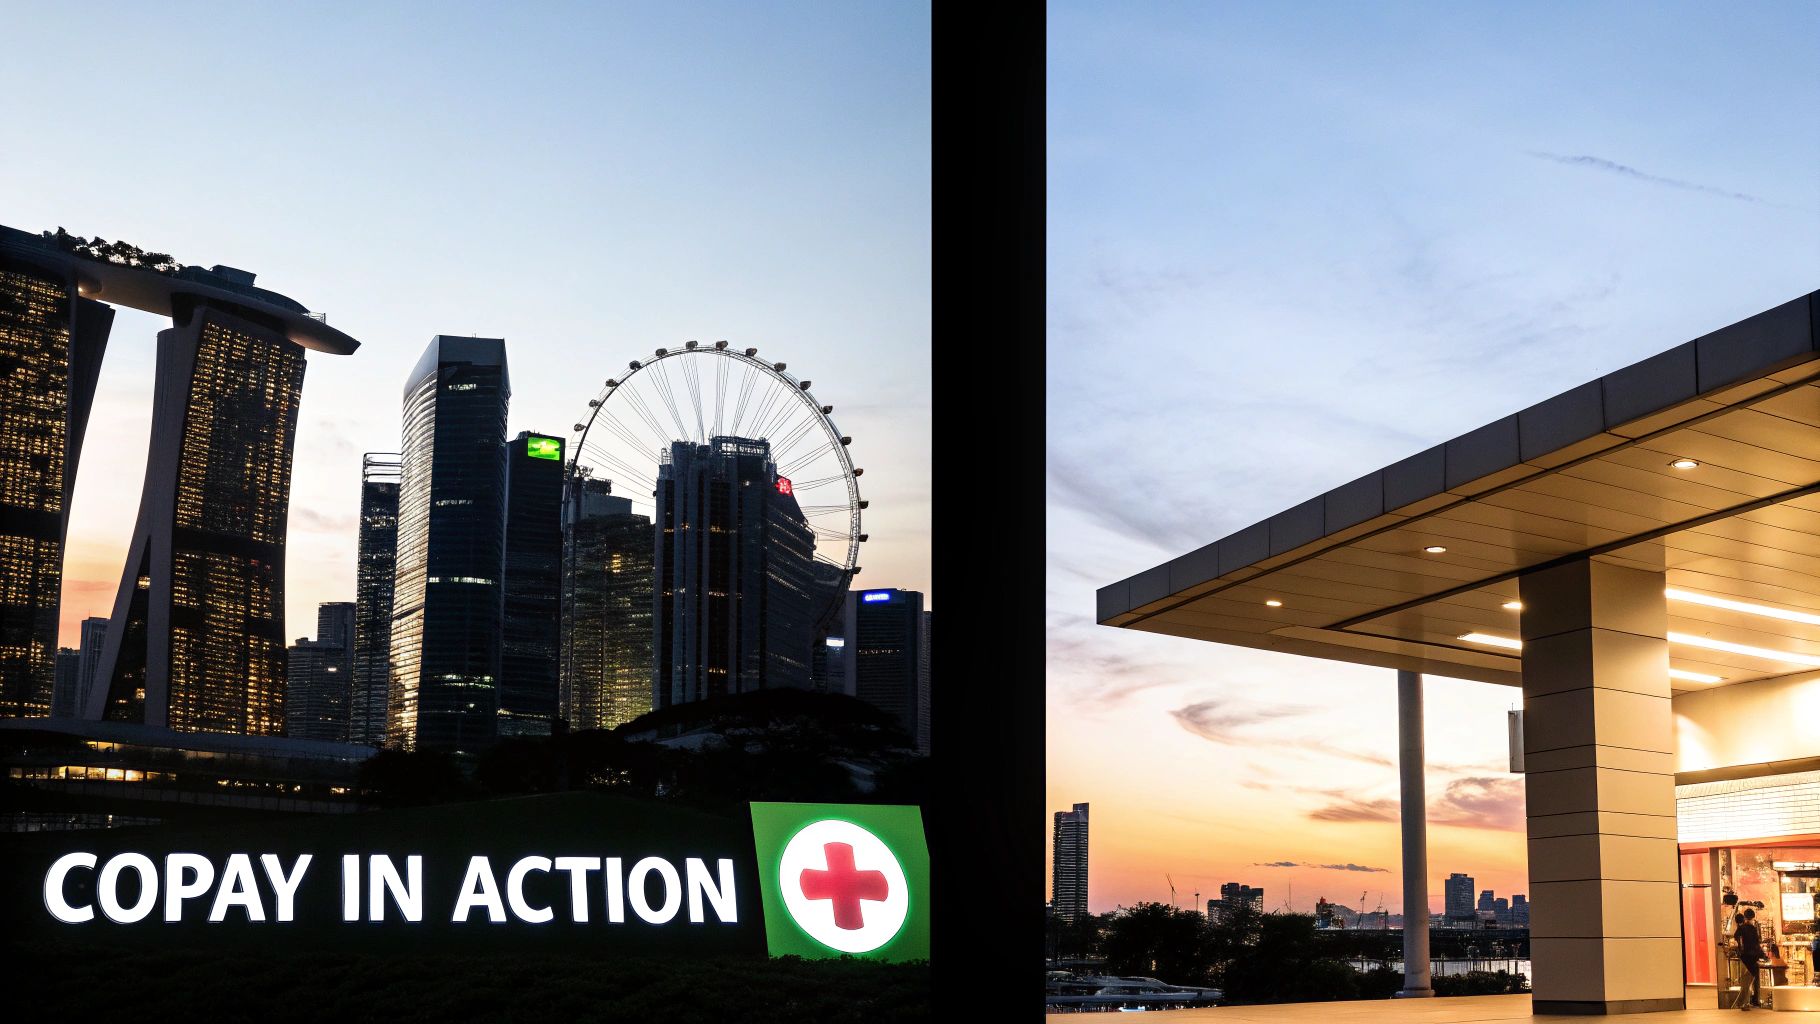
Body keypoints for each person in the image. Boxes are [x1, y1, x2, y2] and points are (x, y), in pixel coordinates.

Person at [1739, 908, 1764, 1010]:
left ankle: (1745, 1002)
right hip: (1753, 957)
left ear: (1745, 917)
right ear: (1753, 917)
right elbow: (1757, 943)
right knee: (1755, 978)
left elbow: (1736, 938)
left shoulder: (1741, 928)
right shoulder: (1753, 928)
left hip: (1745, 957)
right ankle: (1755, 1000)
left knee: (1746, 980)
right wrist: (1762, 955)